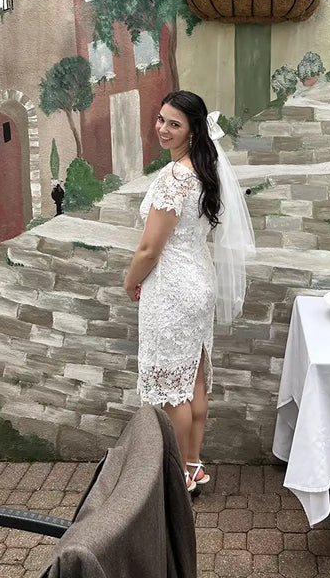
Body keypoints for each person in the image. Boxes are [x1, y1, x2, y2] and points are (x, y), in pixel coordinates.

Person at [124, 90, 255, 493]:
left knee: (173, 392)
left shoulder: (175, 178)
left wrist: (130, 281)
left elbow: (149, 249)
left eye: (174, 124)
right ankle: (193, 464)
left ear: (194, 131)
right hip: (198, 281)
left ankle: (180, 477)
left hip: (172, 288)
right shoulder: (202, 171)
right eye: (161, 119)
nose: (163, 129)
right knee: (193, 381)